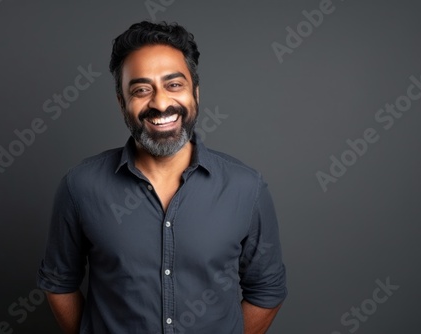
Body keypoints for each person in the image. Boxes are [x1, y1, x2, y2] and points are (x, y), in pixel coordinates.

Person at [37, 21, 287, 334]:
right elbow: (58, 283)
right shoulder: (80, 186)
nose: (160, 103)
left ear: (195, 91)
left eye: (174, 85)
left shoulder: (246, 188)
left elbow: (267, 290)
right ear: (121, 102)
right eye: (141, 90)